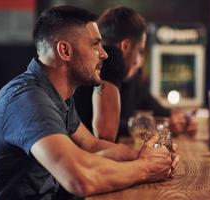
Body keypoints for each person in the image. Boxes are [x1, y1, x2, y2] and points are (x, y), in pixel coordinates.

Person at [0, 5, 179, 199]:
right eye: (95, 45)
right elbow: (79, 178)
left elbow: (91, 145)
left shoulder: (55, 95)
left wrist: (147, 157)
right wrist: (146, 168)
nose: (104, 54)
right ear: (65, 51)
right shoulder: (28, 100)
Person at [74, 6, 191, 142]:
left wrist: (181, 119)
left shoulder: (132, 80)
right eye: (140, 51)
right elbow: (105, 134)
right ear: (125, 46)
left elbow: (157, 110)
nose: (139, 62)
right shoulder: (109, 58)